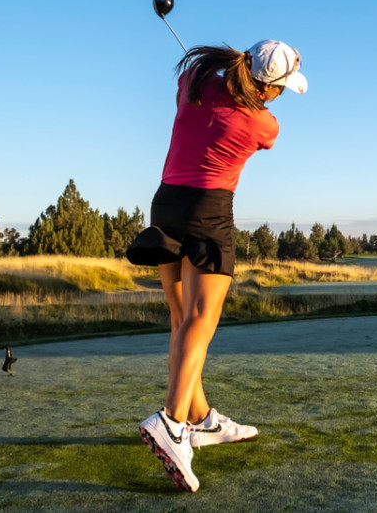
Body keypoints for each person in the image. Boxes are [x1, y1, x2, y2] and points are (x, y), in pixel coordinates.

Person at [129, 38, 307, 492]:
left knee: (180, 318)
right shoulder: (264, 124)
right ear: (268, 89)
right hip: (209, 211)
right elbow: (256, 126)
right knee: (200, 322)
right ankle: (171, 423)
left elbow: (198, 94)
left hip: (165, 204)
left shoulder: (193, 79)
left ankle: (201, 417)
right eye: (282, 89)